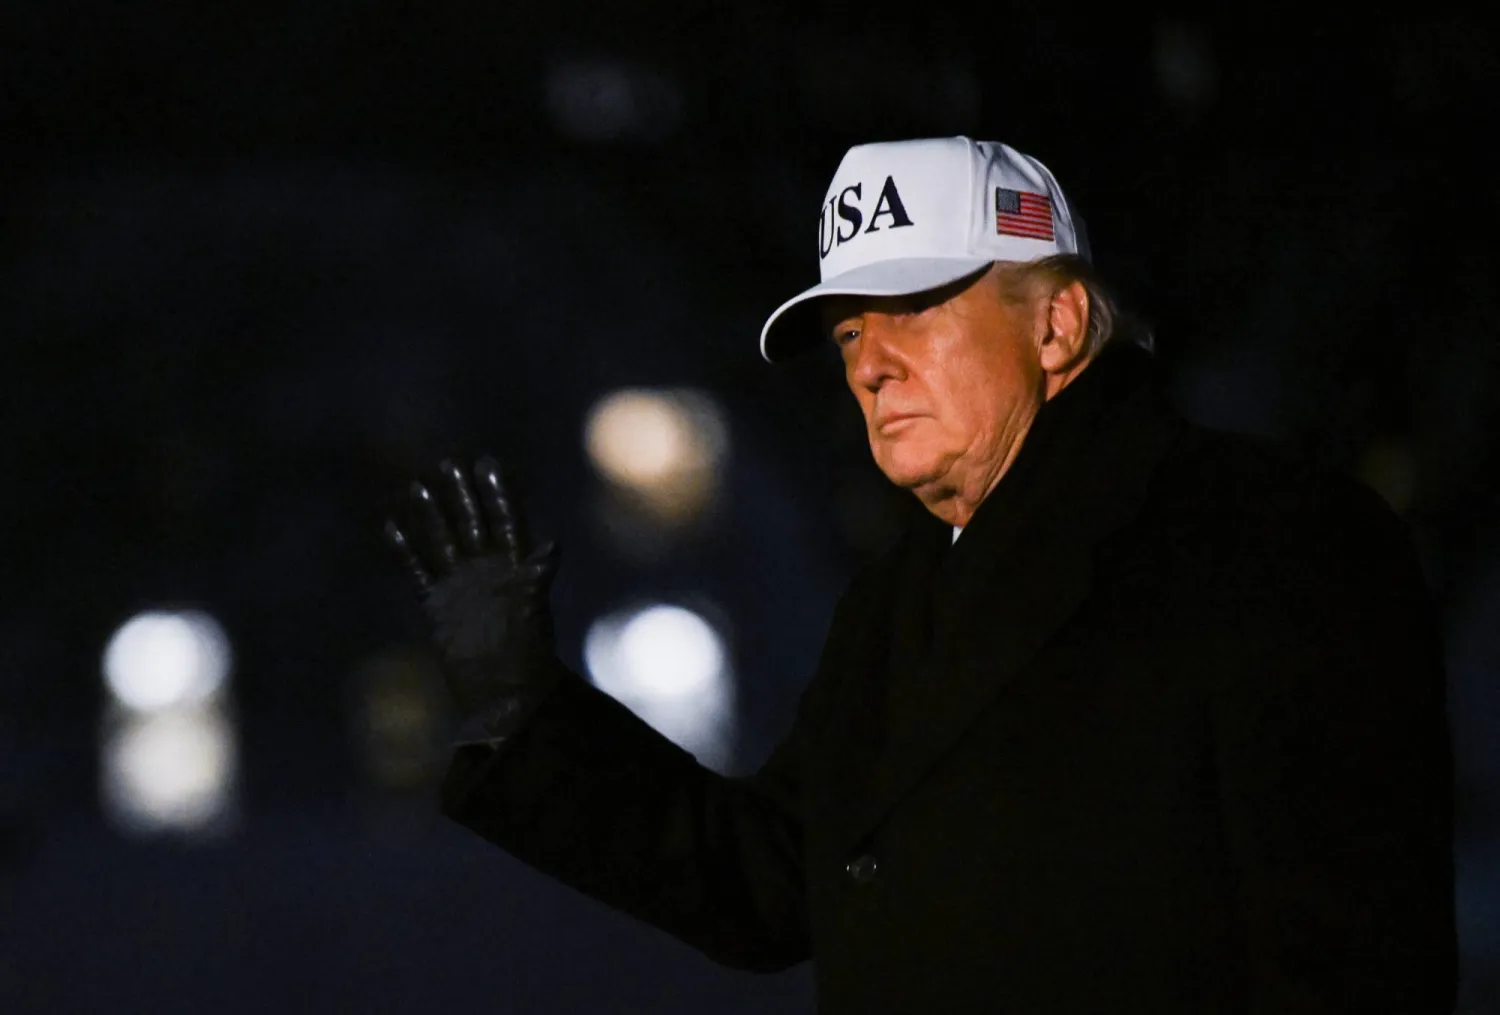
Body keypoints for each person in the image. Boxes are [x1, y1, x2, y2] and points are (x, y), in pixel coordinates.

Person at [383, 137, 1458, 1013]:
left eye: (914, 309)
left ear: (1059, 321)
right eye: (848, 328)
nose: (867, 363)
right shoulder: (905, 595)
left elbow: (1351, 952)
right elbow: (769, 883)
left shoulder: (1263, 536)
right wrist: (526, 710)